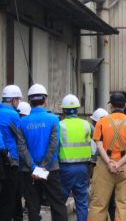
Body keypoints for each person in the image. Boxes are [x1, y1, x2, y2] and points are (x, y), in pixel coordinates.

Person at [88, 93, 126, 221]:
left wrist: (109, 163)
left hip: (104, 166)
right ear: (125, 106)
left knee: (98, 204)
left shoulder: (101, 122)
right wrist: (119, 163)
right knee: (123, 205)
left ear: (110, 106)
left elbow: (99, 146)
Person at [18, 84, 67, 221]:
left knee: (33, 206)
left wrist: (34, 168)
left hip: (29, 171)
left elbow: (21, 147)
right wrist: (43, 166)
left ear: (29, 101)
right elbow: (54, 145)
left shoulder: (22, 122)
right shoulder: (53, 119)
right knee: (57, 204)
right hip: (50, 169)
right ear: (45, 100)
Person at [58, 95, 93, 221]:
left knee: (60, 201)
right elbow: (98, 141)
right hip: (82, 168)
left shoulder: (59, 125)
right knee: (82, 202)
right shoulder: (87, 125)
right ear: (78, 109)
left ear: (63, 110)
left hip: (64, 168)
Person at [87, 109, 116, 221]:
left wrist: (89, 176)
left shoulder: (99, 137)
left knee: (101, 203)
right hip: (115, 173)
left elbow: (94, 159)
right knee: (112, 202)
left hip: (103, 174)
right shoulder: (114, 132)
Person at [0, 85, 23, 221]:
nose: (18, 103)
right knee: (9, 199)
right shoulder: (13, 114)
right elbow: (20, 137)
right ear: (13, 100)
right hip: (9, 160)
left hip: (2, 158)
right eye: (18, 100)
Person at [13, 101, 31, 221]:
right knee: (21, 192)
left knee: (17, 192)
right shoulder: (21, 124)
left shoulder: (17, 123)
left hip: (18, 164)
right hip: (22, 164)